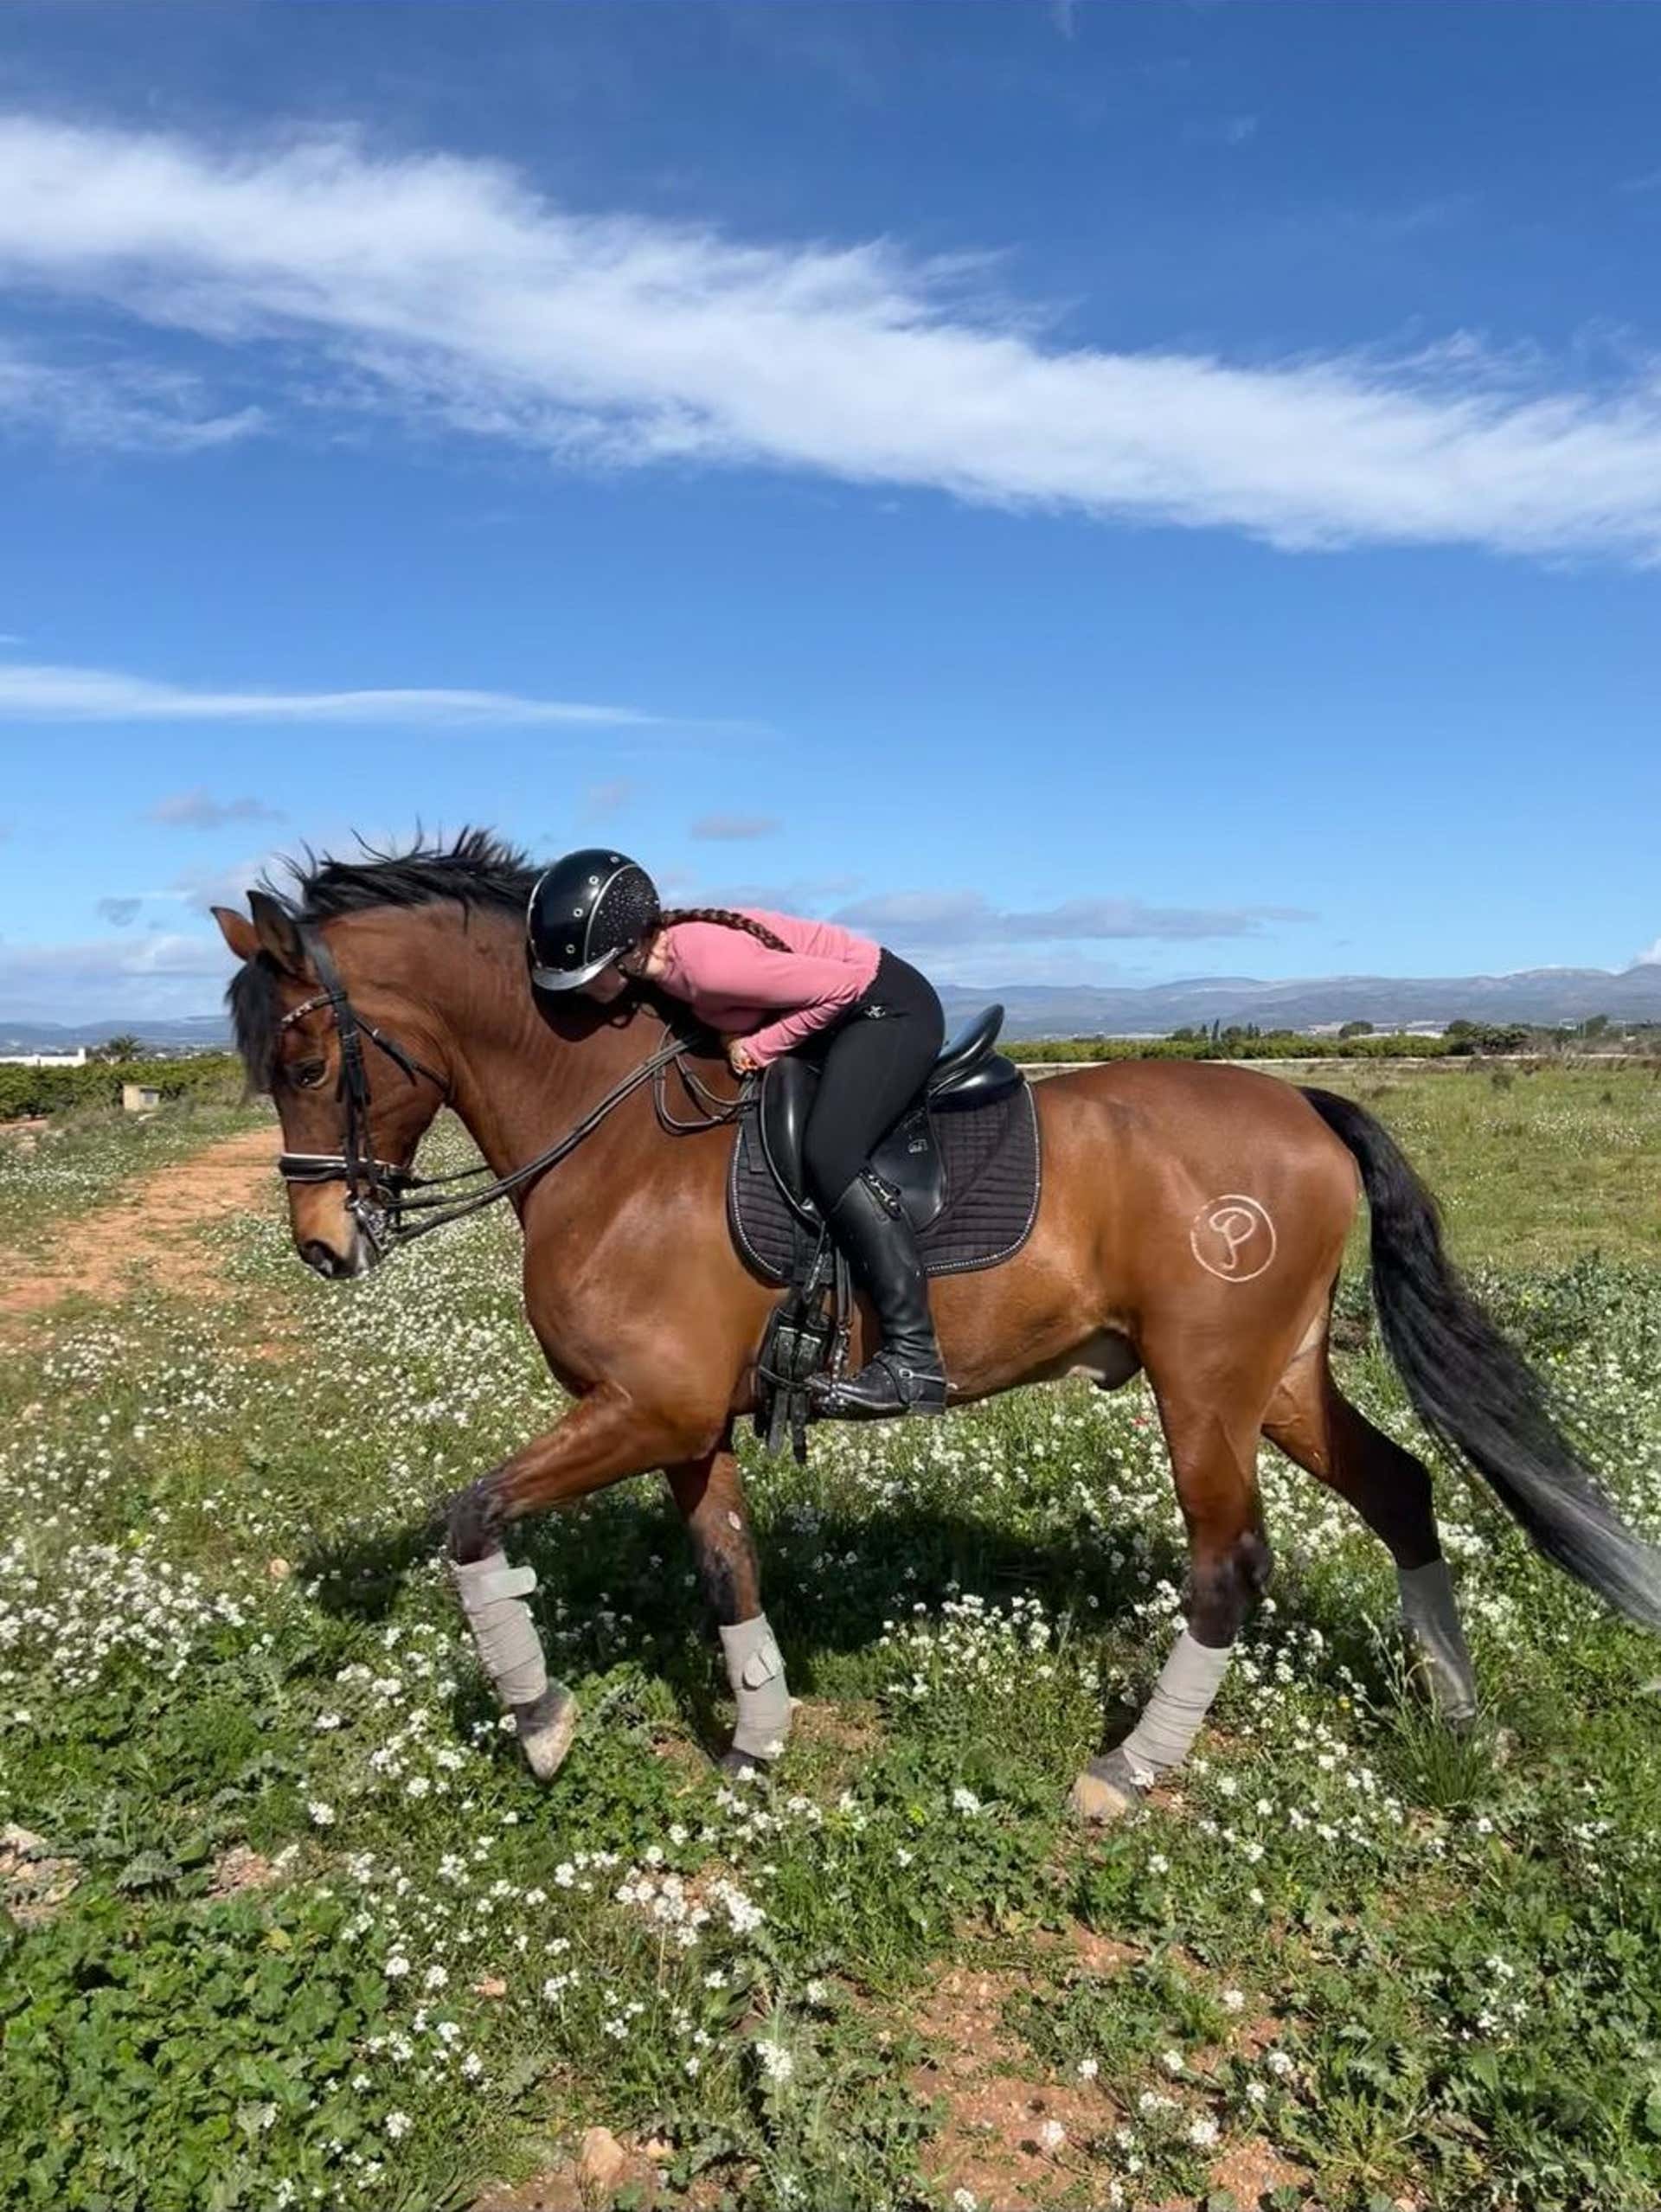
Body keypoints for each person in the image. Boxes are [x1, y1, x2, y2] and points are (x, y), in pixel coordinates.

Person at [526, 849, 947, 1416]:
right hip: (847, 1011)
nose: (580, 995)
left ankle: (913, 1358)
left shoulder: (704, 965)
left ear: (621, 952)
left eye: (584, 980)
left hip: (887, 1010)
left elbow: (843, 987)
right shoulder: (660, 964)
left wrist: (757, 1046)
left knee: (831, 1151)